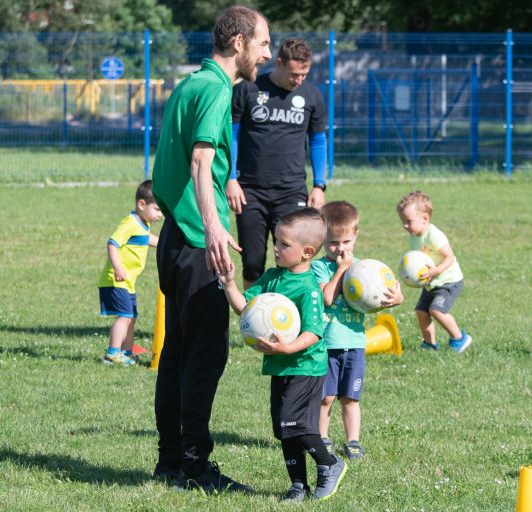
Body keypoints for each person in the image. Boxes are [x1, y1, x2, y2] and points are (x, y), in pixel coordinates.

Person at [150, 6, 271, 493]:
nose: (266, 52)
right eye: (263, 42)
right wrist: (215, 228)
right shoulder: (219, 90)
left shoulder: (190, 84)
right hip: (199, 240)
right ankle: (196, 468)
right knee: (204, 357)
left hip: (178, 240)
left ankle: (170, 463)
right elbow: (201, 163)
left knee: (178, 354)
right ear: (239, 42)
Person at [218, 208, 348, 502]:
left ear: (307, 252)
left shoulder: (310, 290)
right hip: (280, 365)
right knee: (282, 428)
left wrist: (285, 348)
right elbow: (245, 308)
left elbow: (313, 333)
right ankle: (298, 485)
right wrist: (228, 283)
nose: (275, 247)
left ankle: (329, 463)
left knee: (294, 423)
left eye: (283, 244)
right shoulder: (272, 277)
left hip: (305, 366)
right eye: (275, 241)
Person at [228, 38, 329, 289]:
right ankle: (253, 317)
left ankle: (288, 319)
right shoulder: (248, 89)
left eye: (304, 74)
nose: (299, 80)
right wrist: (231, 179)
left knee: (293, 259)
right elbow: (231, 136)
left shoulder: (311, 96)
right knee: (252, 261)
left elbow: (318, 141)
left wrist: (319, 185)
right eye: (294, 74)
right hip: (249, 190)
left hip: (291, 190)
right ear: (279, 62)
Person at [312, 201, 404, 460]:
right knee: (326, 398)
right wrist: (341, 269)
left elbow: (389, 291)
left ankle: (353, 441)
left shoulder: (366, 268)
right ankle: (322, 438)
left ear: (356, 236)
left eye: (346, 242)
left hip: (354, 343)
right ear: (322, 239)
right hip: (326, 345)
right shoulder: (319, 268)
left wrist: (397, 298)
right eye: (333, 243)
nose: (340, 249)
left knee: (350, 398)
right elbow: (327, 299)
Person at [396, 190, 472, 352]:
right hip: (431, 283)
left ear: (425, 218)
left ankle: (460, 339)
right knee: (421, 312)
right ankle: (429, 344)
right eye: (403, 221)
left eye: (409, 221)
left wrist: (435, 271)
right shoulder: (414, 235)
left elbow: (450, 257)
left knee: (436, 310)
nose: (405, 225)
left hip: (448, 281)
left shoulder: (434, 235)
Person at [97, 180, 161, 366]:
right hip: (116, 280)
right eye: (157, 209)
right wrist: (117, 267)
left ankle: (125, 352)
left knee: (131, 316)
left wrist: (168, 244)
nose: (161, 214)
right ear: (142, 204)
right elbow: (112, 243)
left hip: (128, 282)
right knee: (125, 316)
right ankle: (112, 354)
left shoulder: (143, 223)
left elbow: (148, 239)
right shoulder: (130, 223)